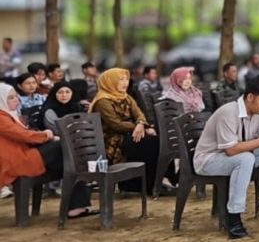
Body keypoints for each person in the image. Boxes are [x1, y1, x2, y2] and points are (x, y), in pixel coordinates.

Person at [193, 74, 259, 239]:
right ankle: (233, 217)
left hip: (234, 156)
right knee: (245, 159)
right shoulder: (228, 112)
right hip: (209, 160)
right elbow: (231, 150)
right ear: (250, 97)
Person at [0, 83, 95, 218]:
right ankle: (77, 205)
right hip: (18, 161)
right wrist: (46, 135)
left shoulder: (9, 115)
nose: (16, 100)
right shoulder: (1, 117)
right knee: (66, 148)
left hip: (26, 154)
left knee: (70, 161)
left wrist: (46, 136)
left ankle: (77, 206)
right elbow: (23, 135)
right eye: (10, 98)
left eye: (16, 96)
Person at [89, 68, 168, 194]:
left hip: (129, 134)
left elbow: (139, 114)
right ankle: (144, 186)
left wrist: (141, 124)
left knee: (156, 140)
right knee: (149, 143)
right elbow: (116, 124)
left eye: (126, 79)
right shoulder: (102, 101)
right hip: (111, 140)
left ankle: (152, 183)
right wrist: (138, 127)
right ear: (110, 82)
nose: (125, 82)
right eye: (121, 80)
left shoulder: (126, 97)